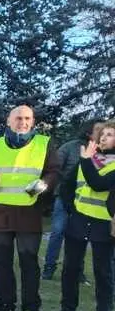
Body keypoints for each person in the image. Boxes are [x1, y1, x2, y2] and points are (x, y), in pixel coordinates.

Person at [0, 104, 60, 311]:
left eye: (27, 118)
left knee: (29, 262)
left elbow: (54, 170)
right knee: (2, 263)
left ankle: (31, 309)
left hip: (28, 212)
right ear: (8, 121)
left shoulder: (44, 143)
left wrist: (45, 184)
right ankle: (5, 306)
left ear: (32, 121)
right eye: (18, 118)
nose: (23, 122)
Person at [58, 121, 115, 311]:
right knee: (71, 269)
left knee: (103, 272)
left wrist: (85, 159)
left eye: (109, 134)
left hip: (103, 225)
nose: (103, 137)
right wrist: (71, 209)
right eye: (102, 134)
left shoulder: (92, 162)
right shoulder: (87, 160)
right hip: (79, 221)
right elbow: (67, 186)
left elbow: (97, 184)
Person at [44, 119, 100, 281]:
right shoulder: (70, 147)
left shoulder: (102, 152)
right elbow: (55, 169)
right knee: (58, 232)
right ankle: (49, 267)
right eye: (98, 130)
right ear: (89, 132)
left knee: (81, 236)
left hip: (85, 201)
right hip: (64, 196)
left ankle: (77, 271)